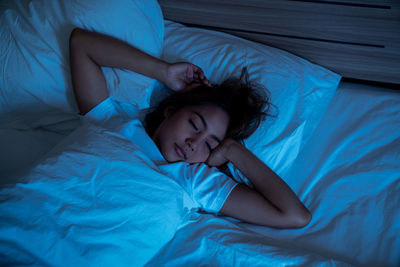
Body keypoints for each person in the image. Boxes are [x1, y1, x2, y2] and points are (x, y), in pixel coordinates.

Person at [69, 27, 311, 229]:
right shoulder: (117, 122)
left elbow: (295, 215)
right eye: (194, 124)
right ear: (170, 110)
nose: (194, 143)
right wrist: (164, 71)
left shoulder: (196, 180)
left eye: (209, 144)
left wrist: (233, 151)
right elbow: (82, 44)